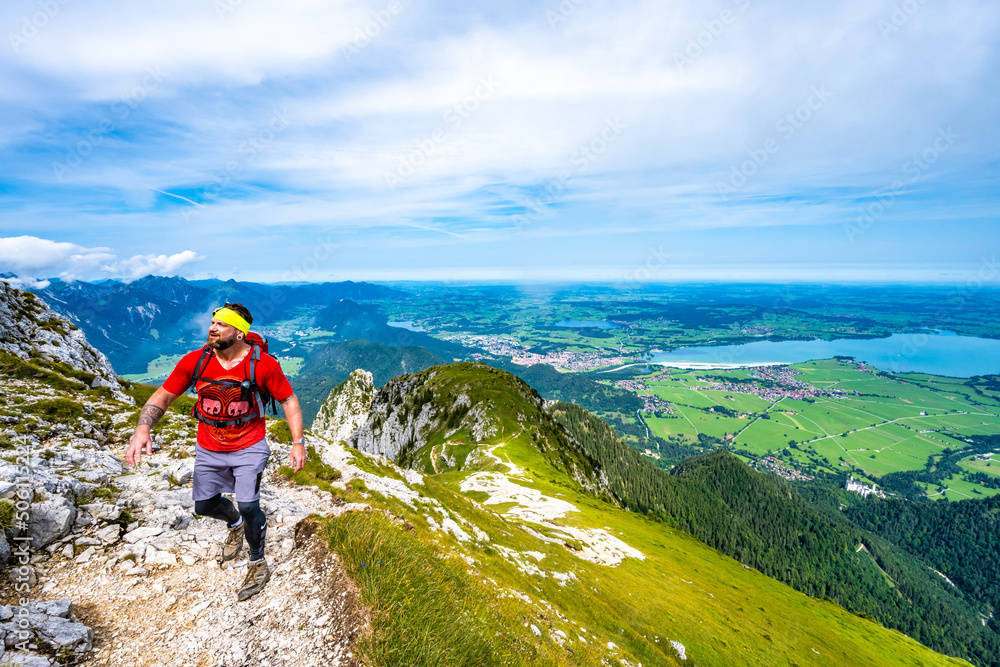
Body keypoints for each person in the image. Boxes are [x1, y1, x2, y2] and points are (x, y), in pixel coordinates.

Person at [126, 303, 307, 601]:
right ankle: (234, 524)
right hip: (209, 446)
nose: (212, 327)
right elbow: (165, 394)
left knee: (249, 505)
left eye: (221, 324)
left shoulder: (263, 365)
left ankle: (257, 561)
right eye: (212, 322)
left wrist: (297, 442)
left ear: (239, 332)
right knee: (204, 507)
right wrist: (142, 428)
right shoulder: (195, 362)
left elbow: (288, 400)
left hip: (249, 444)